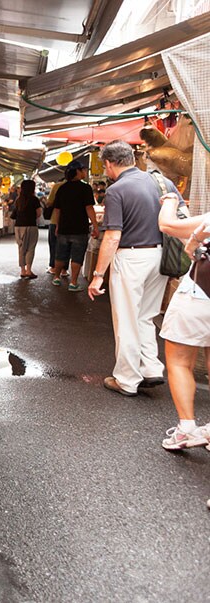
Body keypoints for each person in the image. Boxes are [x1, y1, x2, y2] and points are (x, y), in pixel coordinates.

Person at [87, 140, 181, 396]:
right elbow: (179, 215)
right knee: (146, 315)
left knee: (127, 319)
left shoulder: (117, 190)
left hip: (131, 258)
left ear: (109, 163)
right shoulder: (162, 182)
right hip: (160, 256)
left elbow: (112, 236)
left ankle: (126, 379)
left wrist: (98, 275)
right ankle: (150, 368)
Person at [157, 194, 209, 449]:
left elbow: (167, 225)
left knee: (179, 360)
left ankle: (187, 428)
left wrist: (170, 202)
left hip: (200, 292)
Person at [51, 160, 99, 292]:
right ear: (78, 171)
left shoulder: (62, 188)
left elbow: (57, 209)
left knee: (60, 254)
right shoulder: (85, 188)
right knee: (77, 256)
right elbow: (89, 208)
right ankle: (73, 283)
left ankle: (56, 277)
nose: (85, 172)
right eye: (84, 169)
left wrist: (57, 225)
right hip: (79, 228)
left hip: (64, 227)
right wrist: (95, 225)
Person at [13, 179, 41, 279]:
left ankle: (22, 271)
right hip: (30, 226)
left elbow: (14, 214)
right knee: (30, 248)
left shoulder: (18, 200)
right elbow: (39, 213)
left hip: (18, 226)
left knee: (21, 248)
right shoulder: (34, 199)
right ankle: (28, 270)